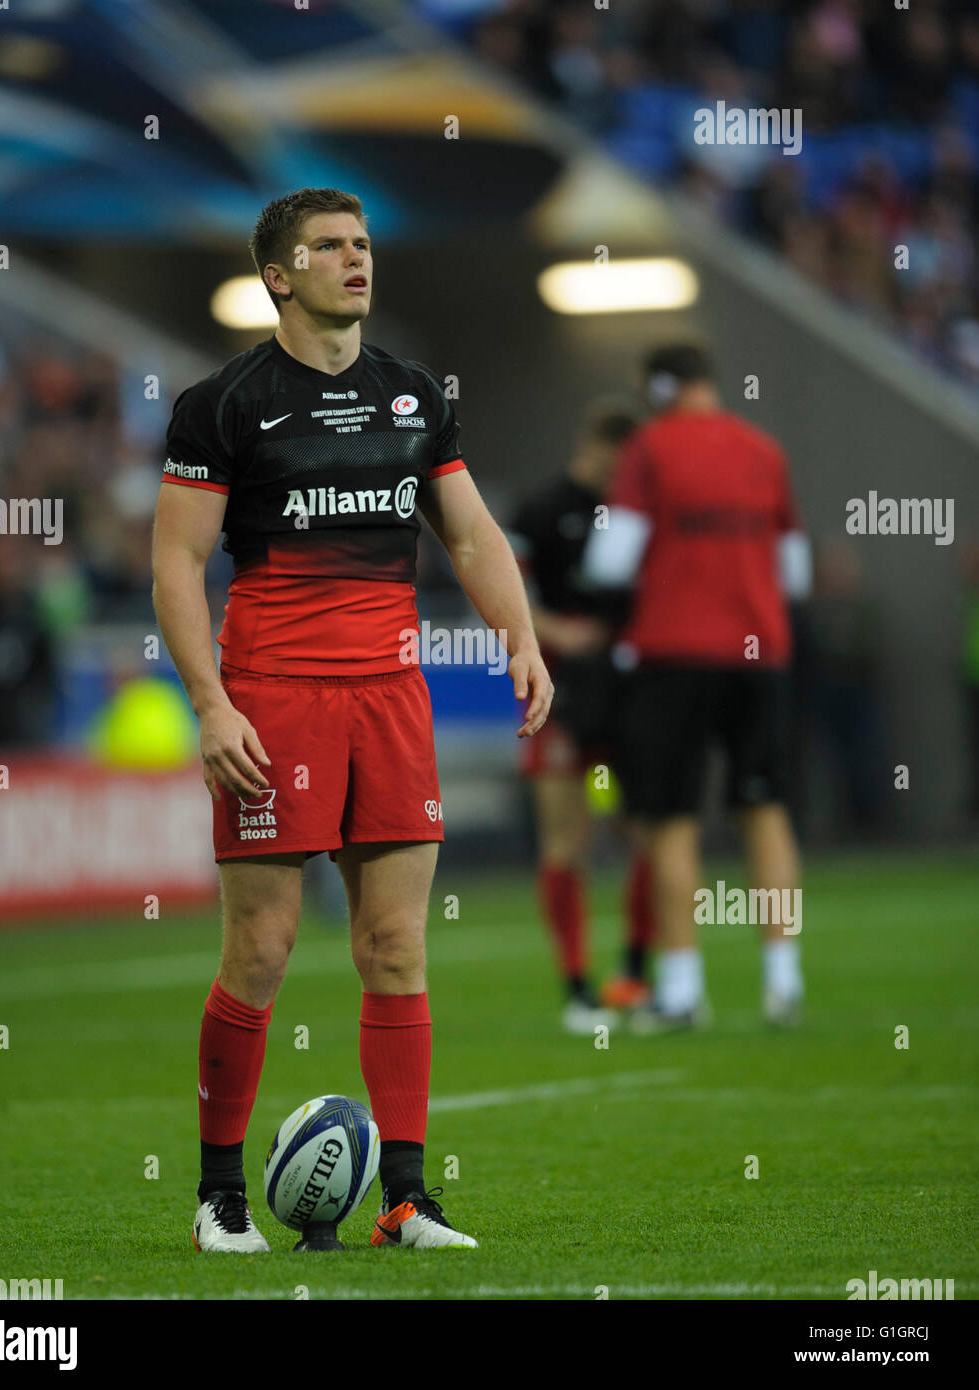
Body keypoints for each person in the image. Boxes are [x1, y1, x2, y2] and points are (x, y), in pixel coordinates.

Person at [152, 188, 552, 1253]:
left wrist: (518, 633)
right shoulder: (223, 404)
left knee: (393, 943)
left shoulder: (414, 397)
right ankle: (219, 1201)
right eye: (328, 246)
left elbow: (469, 536)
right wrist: (210, 701)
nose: (354, 258)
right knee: (264, 949)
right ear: (280, 275)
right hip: (273, 698)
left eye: (364, 242)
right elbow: (177, 563)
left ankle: (407, 1200)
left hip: (390, 694)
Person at [582, 343, 811, 1031]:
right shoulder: (763, 450)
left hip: (674, 656)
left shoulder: (649, 448)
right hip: (758, 655)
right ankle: (782, 980)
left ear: (657, 386)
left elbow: (610, 558)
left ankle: (682, 990)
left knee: (670, 820)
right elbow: (792, 573)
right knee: (764, 809)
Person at [506, 401, 655, 1033]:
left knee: (639, 830)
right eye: (611, 463)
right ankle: (576, 985)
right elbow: (507, 595)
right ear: (589, 447)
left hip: (626, 700)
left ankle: (634, 976)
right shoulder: (540, 512)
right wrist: (558, 632)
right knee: (567, 838)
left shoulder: (636, 514)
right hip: (559, 699)